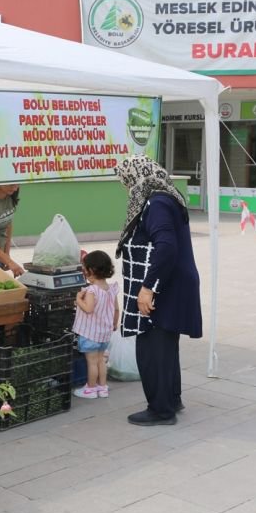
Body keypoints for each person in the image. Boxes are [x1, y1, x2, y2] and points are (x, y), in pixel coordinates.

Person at [116, 156, 202, 427]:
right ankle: (171, 400)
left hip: (165, 287)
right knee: (165, 348)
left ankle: (161, 410)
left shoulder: (156, 203)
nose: (125, 186)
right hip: (173, 284)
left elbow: (165, 246)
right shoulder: (165, 197)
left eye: (125, 180)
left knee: (152, 349)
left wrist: (147, 289)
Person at [71, 250, 120, 400]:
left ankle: (90, 389)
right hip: (105, 333)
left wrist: (78, 300)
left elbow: (88, 309)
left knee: (91, 362)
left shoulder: (92, 290)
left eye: (84, 269)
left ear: (91, 270)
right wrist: (114, 324)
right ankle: (102, 387)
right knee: (101, 361)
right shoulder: (111, 288)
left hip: (90, 334)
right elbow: (117, 309)